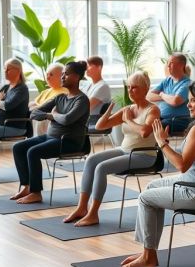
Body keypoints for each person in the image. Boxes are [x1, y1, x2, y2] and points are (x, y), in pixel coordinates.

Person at [119, 81, 195, 267]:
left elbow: (181, 165)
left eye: (194, 100)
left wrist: (161, 143)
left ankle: (149, 257)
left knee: (145, 199)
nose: (188, 104)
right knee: (152, 186)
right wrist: (165, 143)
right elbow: (186, 157)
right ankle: (147, 250)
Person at [64, 71, 161, 226]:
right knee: (91, 160)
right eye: (128, 87)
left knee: (101, 168)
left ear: (145, 89)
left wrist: (128, 120)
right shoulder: (128, 109)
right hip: (124, 150)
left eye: (134, 87)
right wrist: (108, 113)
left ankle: (93, 214)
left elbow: (144, 132)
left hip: (144, 155)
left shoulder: (153, 110)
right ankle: (82, 208)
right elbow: (100, 126)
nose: (129, 91)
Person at [11, 61, 90, 204]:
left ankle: (36, 193)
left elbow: (67, 119)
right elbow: (35, 112)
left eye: (66, 74)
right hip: (50, 137)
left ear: (77, 77)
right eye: (63, 74)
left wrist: (51, 115)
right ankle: (27, 186)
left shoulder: (82, 100)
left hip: (69, 142)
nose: (63, 77)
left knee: (33, 152)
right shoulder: (60, 97)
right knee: (18, 148)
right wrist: (51, 114)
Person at [146, 53, 191, 133]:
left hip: (179, 120)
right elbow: (149, 96)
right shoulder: (167, 80)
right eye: (168, 63)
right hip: (162, 118)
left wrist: (162, 94)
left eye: (171, 63)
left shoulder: (187, 83)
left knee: (152, 127)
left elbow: (175, 101)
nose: (168, 66)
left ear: (181, 65)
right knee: (145, 122)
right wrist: (166, 97)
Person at [28, 63, 68, 135]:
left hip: (51, 122)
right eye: (47, 74)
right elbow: (31, 104)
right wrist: (37, 107)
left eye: (51, 75)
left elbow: (52, 108)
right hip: (38, 117)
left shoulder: (64, 91)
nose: (47, 77)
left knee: (40, 118)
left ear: (61, 76)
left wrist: (37, 107)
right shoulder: (45, 91)